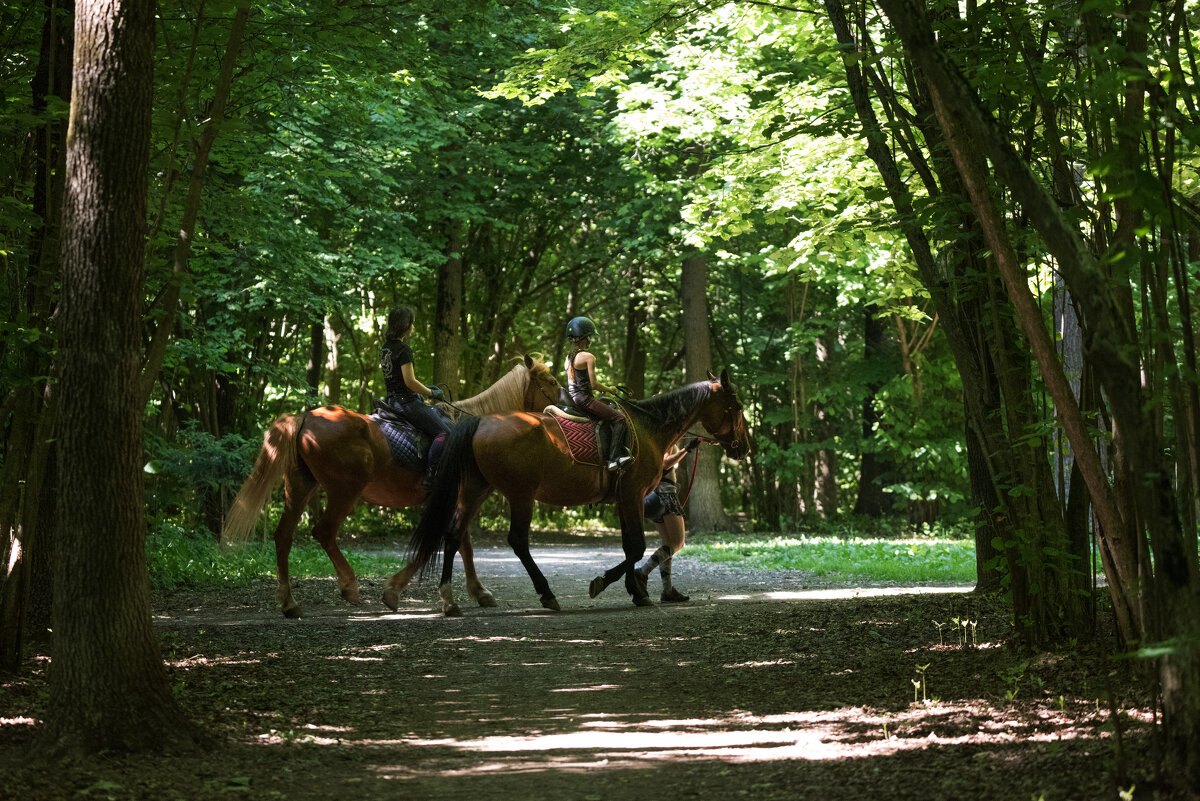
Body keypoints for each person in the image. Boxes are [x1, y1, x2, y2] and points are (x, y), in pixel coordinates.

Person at [380, 306, 449, 481]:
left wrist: (424, 388)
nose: (413, 327)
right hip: (407, 403)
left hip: (391, 401)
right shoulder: (404, 350)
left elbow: (398, 379)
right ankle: (431, 474)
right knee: (445, 433)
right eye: (412, 323)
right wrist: (431, 393)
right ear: (405, 325)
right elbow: (409, 382)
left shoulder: (386, 348)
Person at [564, 316, 630, 470]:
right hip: (585, 400)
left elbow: (579, 381)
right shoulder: (588, 357)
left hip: (573, 398)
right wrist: (609, 389)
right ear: (583, 338)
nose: (590, 342)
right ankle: (614, 458)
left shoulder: (568, 359)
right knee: (620, 419)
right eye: (589, 338)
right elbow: (593, 384)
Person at [637, 440, 698, 602]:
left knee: (668, 544)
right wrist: (686, 450)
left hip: (656, 495)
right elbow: (665, 463)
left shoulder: (656, 440)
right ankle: (642, 572)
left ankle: (668, 590)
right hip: (666, 496)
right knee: (678, 543)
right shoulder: (667, 441)